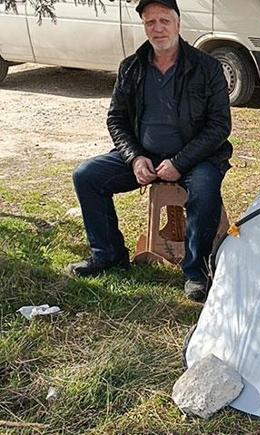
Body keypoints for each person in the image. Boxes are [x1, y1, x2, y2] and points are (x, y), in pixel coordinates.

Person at [67, 0, 232, 302]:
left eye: (164, 20)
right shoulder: (131, 67)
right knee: (87, 175)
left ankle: (196, 271)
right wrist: (134, 157)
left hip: (196, 158)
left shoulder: (207, 67)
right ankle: (108, 255)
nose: (158, 28)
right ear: (144, 26)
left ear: (178, 24)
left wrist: (180, 162)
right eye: (150, 22)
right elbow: (116, 119)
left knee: (207, 188)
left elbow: (220, 126)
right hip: (144, 154)